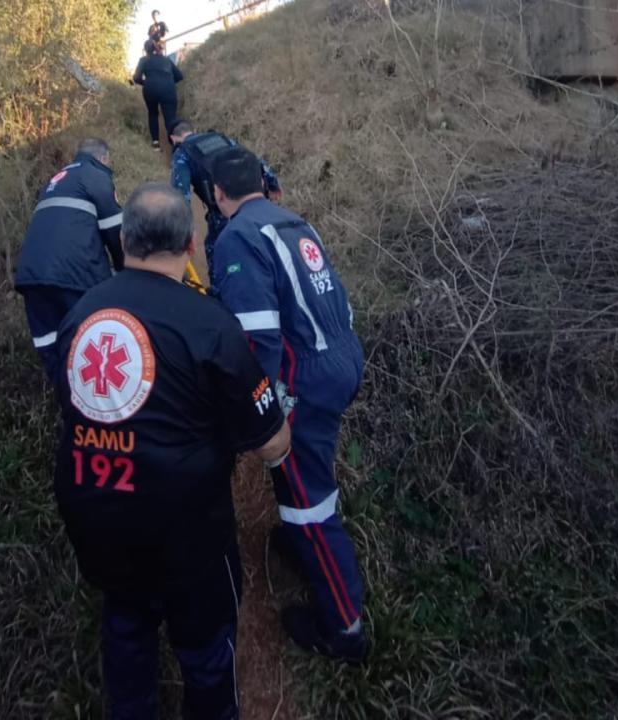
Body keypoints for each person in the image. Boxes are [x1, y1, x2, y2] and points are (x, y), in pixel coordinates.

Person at [53, 182, 292, 719]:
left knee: (126, 628)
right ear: (189, 245)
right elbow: (272, 439)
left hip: (94, 513)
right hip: (187, 531)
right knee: (207, 653)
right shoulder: (210, 322)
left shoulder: (80, 316)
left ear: (123, 243)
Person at [207, 147, 370, 664]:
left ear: (216, 194)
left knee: (309, 506)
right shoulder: (295, 223)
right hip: (341, 356)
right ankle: (301, 540)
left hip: (306, 379)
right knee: (308, 475)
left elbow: (258, 342)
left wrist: (250, 414)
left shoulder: (237, 238)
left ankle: (344, 630)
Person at [13, 138, 123, 382]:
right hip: (76, 274)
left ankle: (65, 400)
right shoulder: (96, 175)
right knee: (94, 338)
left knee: (51, 342)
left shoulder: (55, 180)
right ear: (103, 158)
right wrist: (127, 273)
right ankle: (97, 403)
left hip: (32, 276)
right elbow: (115, 230)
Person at [168, 122, 281, 273]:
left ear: (174, 139)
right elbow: (253, 158)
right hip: (255, 201)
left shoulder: (182, 152)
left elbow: (181, 197)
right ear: (194, 131)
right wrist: (273, 184)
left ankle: (219, 290)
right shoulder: (220, 138)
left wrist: (180, 232)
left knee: (217, 254)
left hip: (224, 209)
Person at [132, 40, 183, 151]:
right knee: (170, 117)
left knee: (153, 114)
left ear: (146, 50)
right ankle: (175, 145)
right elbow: (180, 76)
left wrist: (146, 83)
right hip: (168, 89)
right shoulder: (167, 60)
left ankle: (156, 143)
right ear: (157, 48)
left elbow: (136, 78)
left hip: (150, 89)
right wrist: (167, 81)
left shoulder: (143, 60)